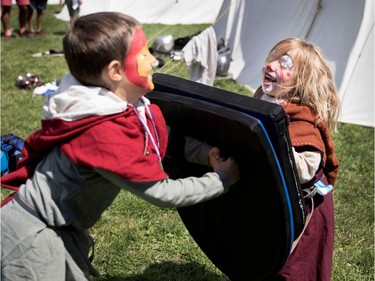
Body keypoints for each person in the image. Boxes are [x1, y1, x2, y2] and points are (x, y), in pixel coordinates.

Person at [0, 12, 240, 281]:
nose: (153, 60)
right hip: (31, 236)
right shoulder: (102, 132)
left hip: (60, 229)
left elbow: (159, 135)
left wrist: (204, 153)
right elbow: (162, 193)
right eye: (144, 54)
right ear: (115, 71)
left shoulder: (113, 107)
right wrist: (221, 179)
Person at [254, 38, 340, 281]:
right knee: (265, 256)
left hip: (304, 208)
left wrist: (272, 144)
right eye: (272, 58)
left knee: (294, 268)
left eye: (284, 64)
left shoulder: (303, 120)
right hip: (276, 199)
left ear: (301, 81)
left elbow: (305, 168)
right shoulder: (263, 98)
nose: (270, 66)